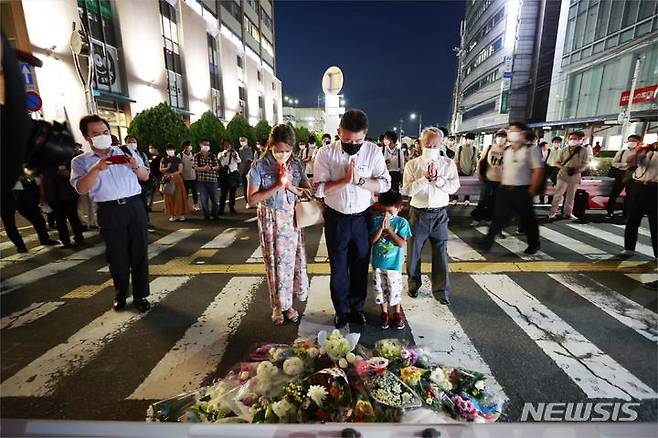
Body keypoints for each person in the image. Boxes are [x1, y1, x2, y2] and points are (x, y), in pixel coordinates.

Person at [313, 109, 391, 328]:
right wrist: (345, 180)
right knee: (338, 267)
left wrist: (359, 181)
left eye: (358, 140)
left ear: (365, 135)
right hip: (336, 218)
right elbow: (318, 189)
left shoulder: (373, 151)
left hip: (362, 218)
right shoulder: (326, 153)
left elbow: (385, 183)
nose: (353, 144)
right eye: (347, 139)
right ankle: (341, 309)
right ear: (338, 132)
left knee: (359, 265)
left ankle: (356, 308)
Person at [70, 115, 151, 313]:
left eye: (105, 132)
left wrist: (135, 166)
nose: (102, 136)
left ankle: (141, 295)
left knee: (139, 253)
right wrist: (97, 169)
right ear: (86, 137)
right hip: (109, 210)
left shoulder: (126, 151)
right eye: (96, 134)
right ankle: (121, 293)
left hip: (134, 206)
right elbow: (81, 188)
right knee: (117, 256)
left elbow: (145, 176)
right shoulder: (80, 161)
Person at [247, 124, 312, 325]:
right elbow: (251, 199)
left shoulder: (297, 164)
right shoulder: (259, 166)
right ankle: (277, 305)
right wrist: (277, 185)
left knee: (291, 264)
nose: (282, 155)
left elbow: (306, 190)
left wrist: (289, 186)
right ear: (270, 145)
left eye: (287, 151)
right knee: (274, 264)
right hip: (270, 219)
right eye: (278, 150)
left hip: (291, 220)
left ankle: (289, 305)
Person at [403, 127, 460, 305]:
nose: (431, 146)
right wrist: (425, 178)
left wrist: (438, 180)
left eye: (435, 144)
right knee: (414, 252)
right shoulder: (412, 164)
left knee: (441, 253)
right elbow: (408, 190)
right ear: (420, 142)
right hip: (418, 213)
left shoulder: (448, 164)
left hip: (439, 214)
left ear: (441, 143)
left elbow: (453, 187)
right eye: (428, 143)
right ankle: (413, 284)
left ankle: (441, 290)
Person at [480, 122, 543, 255]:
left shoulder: (531, 150)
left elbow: (538, 171)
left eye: (514, 131)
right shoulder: (507, 150)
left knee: (527, 219)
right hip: (505, 190)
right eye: (510, 131)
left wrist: (531, 190)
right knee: (498, 217)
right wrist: (502, 183)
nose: (510, 133)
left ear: (523, 134)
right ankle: (487, 241)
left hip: (523, 190)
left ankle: (534, 243)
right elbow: (505, 168)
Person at [370, 190, 412, 329]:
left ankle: (397, 313)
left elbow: (401, 243)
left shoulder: (402, 223)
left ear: (399, 208)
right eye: (384, 211)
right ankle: (384, 313)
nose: (386, 214)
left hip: (394, 266)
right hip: (378, 264)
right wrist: (381, 229)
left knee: (395, 290)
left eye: (390, 211)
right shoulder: (376, 221)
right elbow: (372, 241)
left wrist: (390, 230)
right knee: (380, 290)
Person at [1, 173, 59, 252]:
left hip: (21, 196)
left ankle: (44, 239)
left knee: (37, 219)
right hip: (5, 198)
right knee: (9, 224)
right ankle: (21, 246)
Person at [619, 140, 657, 261]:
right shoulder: (646, 150)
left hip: (655, 189)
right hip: (638, 187)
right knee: (632, 219)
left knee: (655, 223)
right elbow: (629, 161)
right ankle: (629, 249)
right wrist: (639, 151)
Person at [41, 153, 86, 247]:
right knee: (60, 219)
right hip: (53, 195)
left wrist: (68, 174)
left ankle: (79, 237)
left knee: (73, 217)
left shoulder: (70, 159)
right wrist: (43, 197)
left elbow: (79, 176)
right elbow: (42, 180)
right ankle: (65, 240)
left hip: (69, 194)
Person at [548, 131, 590, 220]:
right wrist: (563, 168)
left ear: (579, 140)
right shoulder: (563, 150)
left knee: (571, 196)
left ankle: (568, 213)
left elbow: (585, 164)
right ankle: (552, 213)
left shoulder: (583, 151)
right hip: (563, 175)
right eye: (571, 139)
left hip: (575, 176)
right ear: (568, 139)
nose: (573, 140)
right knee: (558, 195)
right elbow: (557, 162)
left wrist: (578, 170)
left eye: (575, 139)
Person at [471, 129, 506, 226]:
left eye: (503, 137)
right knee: (483, 200)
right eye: (499, 136)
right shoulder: (490, 148)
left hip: (501, 181)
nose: (501, 139)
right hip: (488, 179)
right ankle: (476, 218)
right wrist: (479, 174)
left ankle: (489, 218)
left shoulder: (508, 150)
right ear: (495, 137)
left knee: (494, 201)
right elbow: (481, 161)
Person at [124, 136, 155, 230]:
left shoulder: (141, 154)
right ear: (125, 143)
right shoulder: (123, 154)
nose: (132, 143)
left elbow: (147, 167)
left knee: (142, 203)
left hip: (141, 182)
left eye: (134, 142)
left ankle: (146, 222)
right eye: (129, 142)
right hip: (129, 184)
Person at [606, 135, 638, 219]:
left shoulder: (641, 152)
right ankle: (610, 211)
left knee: (630, 195)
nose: (631, 142)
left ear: (638, 142)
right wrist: (623, 165)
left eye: (634, 141)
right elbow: (614, 163)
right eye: (630, 140)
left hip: (633, 175)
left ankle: (626, 214)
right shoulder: (622, 151)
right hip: (621, 173)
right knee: (615, 192)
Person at [160, 143, 188, 222]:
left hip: (176, 178)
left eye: (171, 149)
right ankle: (173, 214)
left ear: (175, 150)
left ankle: (181, 214)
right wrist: (167, 168)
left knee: (179, 196)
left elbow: (180, 170)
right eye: (168, 150)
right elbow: (161, 169)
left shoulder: (178, 159)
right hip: (167, 179)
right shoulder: (164, 159)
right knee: (169, 197)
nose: (170, 151)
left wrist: (171, 174)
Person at [218, 140, 241, 215]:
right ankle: (221, 209)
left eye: (228, 145)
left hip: (233, 173)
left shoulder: (234, 153)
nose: (227, 146)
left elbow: (238, 161)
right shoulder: (220, 153)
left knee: (232, 192)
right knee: (223, 193)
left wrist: (234, 155)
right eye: (225, 145)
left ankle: (232, 207)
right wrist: (224, 153)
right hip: (224, 174)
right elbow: (220, 159)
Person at [453, 133, 477, 206]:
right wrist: (458, 168)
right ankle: (455, 198)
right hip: (460, 170)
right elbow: (456, 160)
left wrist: (474, 169)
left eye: (472, 139)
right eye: (469, 139)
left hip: (469, 171)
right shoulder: (460, 148)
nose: (470, 141)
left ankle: (466, 199)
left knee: (468, 186)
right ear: (465, 139)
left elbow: (474, 160)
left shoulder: (474, 149)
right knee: (457, 185)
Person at [179, 140, 198, 211]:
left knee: (195, 192)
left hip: (193, 177)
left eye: (190, 145)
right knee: (185, 193)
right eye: (187, 145)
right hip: (184, 177)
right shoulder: (180, 155)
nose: (189, 147)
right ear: (184, 147)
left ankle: (195, 205)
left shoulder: (194, 154)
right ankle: (185, 205)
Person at [543, 137, 562, 205]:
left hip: (556, 169)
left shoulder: (561, 151)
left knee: (554, 184)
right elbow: (543, 159)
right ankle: (542, 199)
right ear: (553, 143)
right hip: (548, 168)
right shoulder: (548, 150)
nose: (556, 143)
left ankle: (550, 200)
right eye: (555, 142)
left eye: (558, 142)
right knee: (544, 182)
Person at [238, 135, 255, 208]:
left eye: (243, 140)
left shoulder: (252, 150)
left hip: (252, 171)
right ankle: (248, 202)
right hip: (243, 171)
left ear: (247, 140)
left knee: (254, 187)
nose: (242, 142)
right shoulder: (239, 151)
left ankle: (255, 200)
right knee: (245, 187)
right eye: (241, 141)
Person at [147, 145, 162, 211]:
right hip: (153, 177)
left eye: (152, 148)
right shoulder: (151, 157)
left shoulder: (160, 157)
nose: (150, 149)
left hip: (159, 176)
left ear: (156, 149)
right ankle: (149, 206)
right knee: (152, 191)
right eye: (150, 148)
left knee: (162, 191)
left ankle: (169, 205)